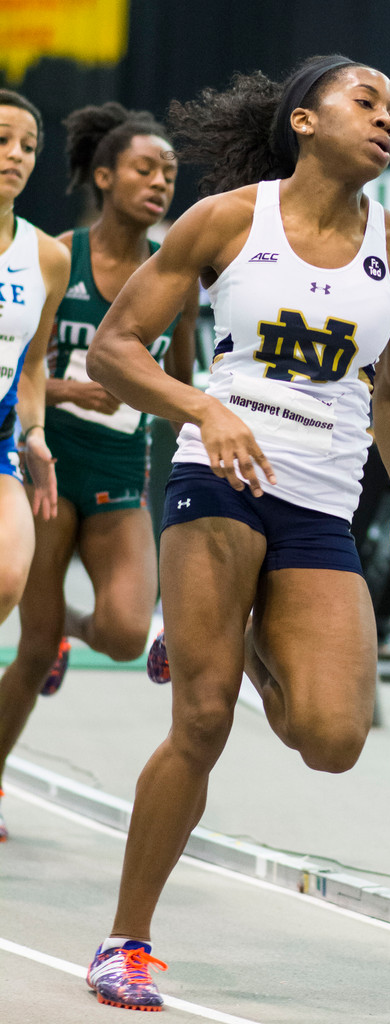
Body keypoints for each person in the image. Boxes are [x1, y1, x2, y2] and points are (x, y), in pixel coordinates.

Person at [82, 55, 390, 1011]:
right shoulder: (230, 220)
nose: (385, 117)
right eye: (365, 100)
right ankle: (125, 942)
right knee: (200, 720)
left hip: (321, 503)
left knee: (332, 738)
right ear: (304, 120)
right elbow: (112, 350)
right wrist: (204, 409)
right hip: (219, 480)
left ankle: (231, 636)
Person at [0, 102, 197, 842]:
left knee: (121, 633)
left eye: (169, 173)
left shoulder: (175, 274)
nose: (160, 183)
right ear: (105, 176)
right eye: (145, 169)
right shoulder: (59, 255)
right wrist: (68, 393)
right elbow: (27, 366)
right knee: (28, 648)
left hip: (120, 471)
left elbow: (180, 385)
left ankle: (68, 633)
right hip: (48, 466)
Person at [0, 89, 70, 839]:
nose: (15, 155)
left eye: (26, 145)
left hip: (0, 443)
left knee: (7, 577)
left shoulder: (47, 256)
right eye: (1, 139)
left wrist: (37, 432)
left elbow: (36, 359)